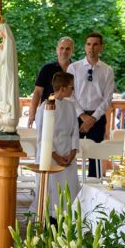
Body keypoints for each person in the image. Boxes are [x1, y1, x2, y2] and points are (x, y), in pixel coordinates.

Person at [67, 32, 115, 178]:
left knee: (96, 156)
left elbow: (108, 98)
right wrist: (82, 115)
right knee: (71, 151)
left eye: (95, 45)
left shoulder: (107, 70)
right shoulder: (74, 68)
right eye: (88, 44)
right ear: (84, 47)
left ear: (101, 47)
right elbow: (70, 94)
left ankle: (94, 191)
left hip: (97, 118)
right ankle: (71, 185)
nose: (91, 48)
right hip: (76, 116)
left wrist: (93, 118)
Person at [34, 72, 79, 217]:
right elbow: (42, 135)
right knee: (52, 189)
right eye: (72, 87)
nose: (73, 90)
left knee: (69, 188)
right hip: (51, 154)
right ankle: (49, 217)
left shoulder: (71, 106)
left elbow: (75, 130)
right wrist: (56, 156)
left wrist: (72, 152)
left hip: (68, 153)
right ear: (63, 88)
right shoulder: (45, 107)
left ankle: (67, 218)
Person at [27, 37, 74, 127]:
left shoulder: (76, 69)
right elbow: (37, 92)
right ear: (57, 50)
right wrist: (32, 114)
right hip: (48, 111)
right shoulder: (47, 68)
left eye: (68, 48)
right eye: (61, 48)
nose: (64, 51)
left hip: (68, 114)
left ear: (72, 50)